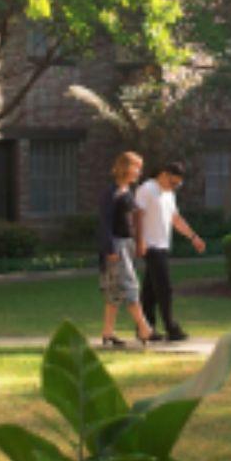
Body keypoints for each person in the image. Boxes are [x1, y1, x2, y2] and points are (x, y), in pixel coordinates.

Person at [131, 160, 206, 341]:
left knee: (150, 291)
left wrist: (193, 237)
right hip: (151, 246)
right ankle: (171, 327)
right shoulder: (146, 189)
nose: (174, 186)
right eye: (173, 182)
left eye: (178, 184)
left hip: (163, 245)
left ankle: (145, 329)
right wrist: (139, 241)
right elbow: (137, 216)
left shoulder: (169, 194)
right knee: (164, 288)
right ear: (164, 174)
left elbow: (176, 219)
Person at [97, 150, 154, 350]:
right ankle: (144, 328)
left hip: (127, 244)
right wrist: (110, 249)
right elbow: (105, 223)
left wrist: (139, 242)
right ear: (127, 168)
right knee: (130, 286)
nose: (139, 172)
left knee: (115, 291)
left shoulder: (127, 190)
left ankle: (108, 333)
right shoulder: (110, 192)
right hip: (116, 246)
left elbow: (132, 219)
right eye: (136, 167)